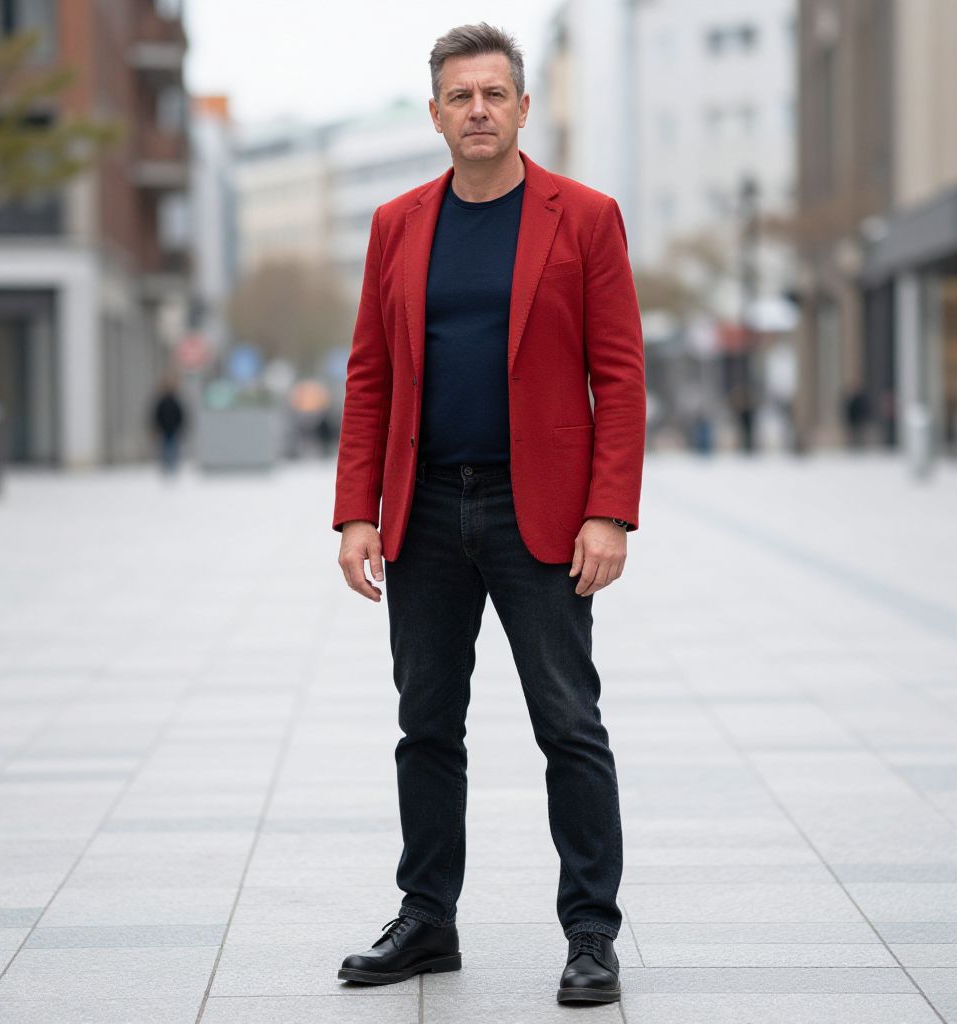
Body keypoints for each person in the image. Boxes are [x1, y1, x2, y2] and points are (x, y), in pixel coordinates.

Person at [332, 22, 645, 1005]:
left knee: (568, 722)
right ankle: (427, 918)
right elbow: (370, 375)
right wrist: (355, 512)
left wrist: (609, 512)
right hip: (422, 511)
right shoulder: (396, 223)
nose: (476, 110)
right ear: (435, 114)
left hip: (538, 510)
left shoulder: (584, 217)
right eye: (458, 97)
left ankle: (589, 931)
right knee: (425, 722)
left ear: (519, 106)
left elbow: (620, 375)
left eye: (493, 94)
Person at [150, 371, 187, 474]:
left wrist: (180, 426)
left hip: (173, 429)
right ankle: (167, 466)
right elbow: (157, 415)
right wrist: (156, 427)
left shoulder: (175, 400)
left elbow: (180, 415)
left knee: (172, 447)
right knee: (166, 447)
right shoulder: (162, 401)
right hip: (165, 429)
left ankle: (171, 466)